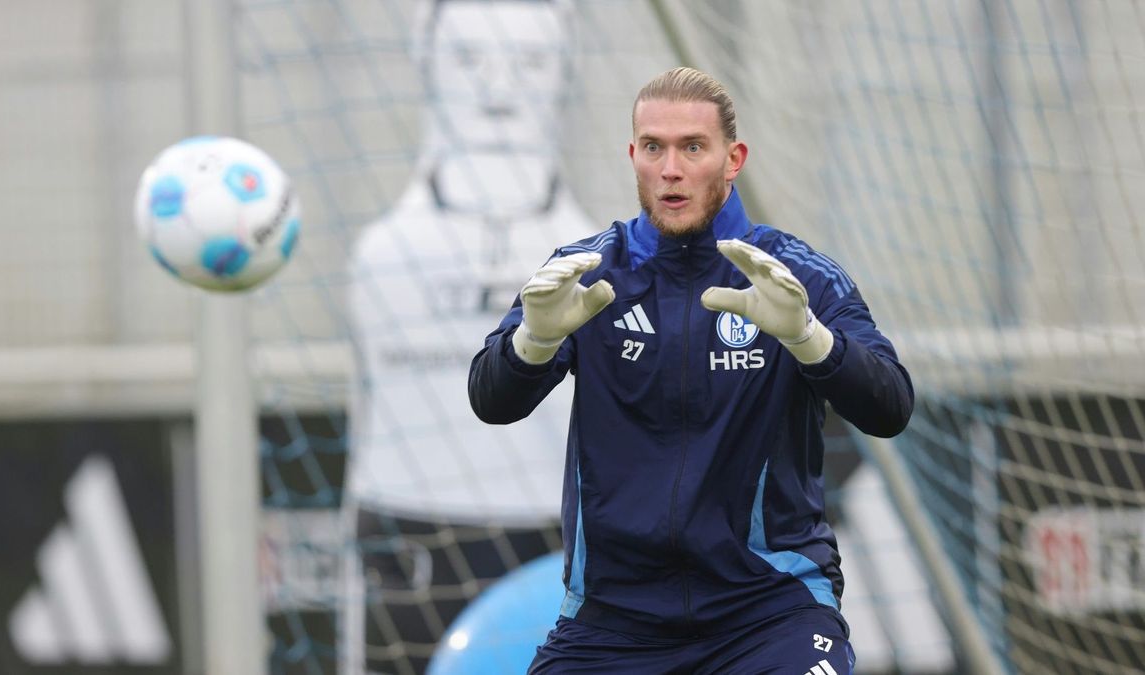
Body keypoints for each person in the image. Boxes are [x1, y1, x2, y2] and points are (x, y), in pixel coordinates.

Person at [468, 66, 914, 674]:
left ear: (734, 159)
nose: (670, 169)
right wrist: (534, 339)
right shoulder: (586, 270)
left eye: (692, 148)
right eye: (654, 147)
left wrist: (808, 338)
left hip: (769, 614)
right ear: (633, 155)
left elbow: (891, 406)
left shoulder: (795, 275)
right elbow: (491, 400)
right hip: (612, 624)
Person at [342, 1, 596, 672]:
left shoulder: (604, 256)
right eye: (470, 59)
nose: (498, 86)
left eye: (530, 62)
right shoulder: (383, 253)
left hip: (557, 528)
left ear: (564, 69)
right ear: (427, 60)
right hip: (411, 526)